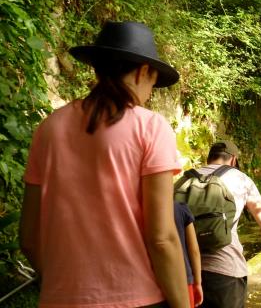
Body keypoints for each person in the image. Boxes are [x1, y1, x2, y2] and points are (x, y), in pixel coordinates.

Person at [19, 22, 189, 307]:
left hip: (60, 299)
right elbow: (162, 239)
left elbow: (28, 237)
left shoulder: (49, 128)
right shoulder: (150, 127)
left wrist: (64, 285)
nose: (150, 92)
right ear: (143, 71)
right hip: (136, 298)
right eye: (152, 83)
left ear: (98, 69)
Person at [198, 140, 261, 307]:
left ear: (208, 158)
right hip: (226, 270)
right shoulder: (241, 179)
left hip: (187, 270)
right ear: (233, 160)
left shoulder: (188, 178)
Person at [174, 202, 203, 308]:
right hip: (184, 279)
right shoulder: (180, 208)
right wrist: (198, 283)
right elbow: (194, 250)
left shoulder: (141, 209)